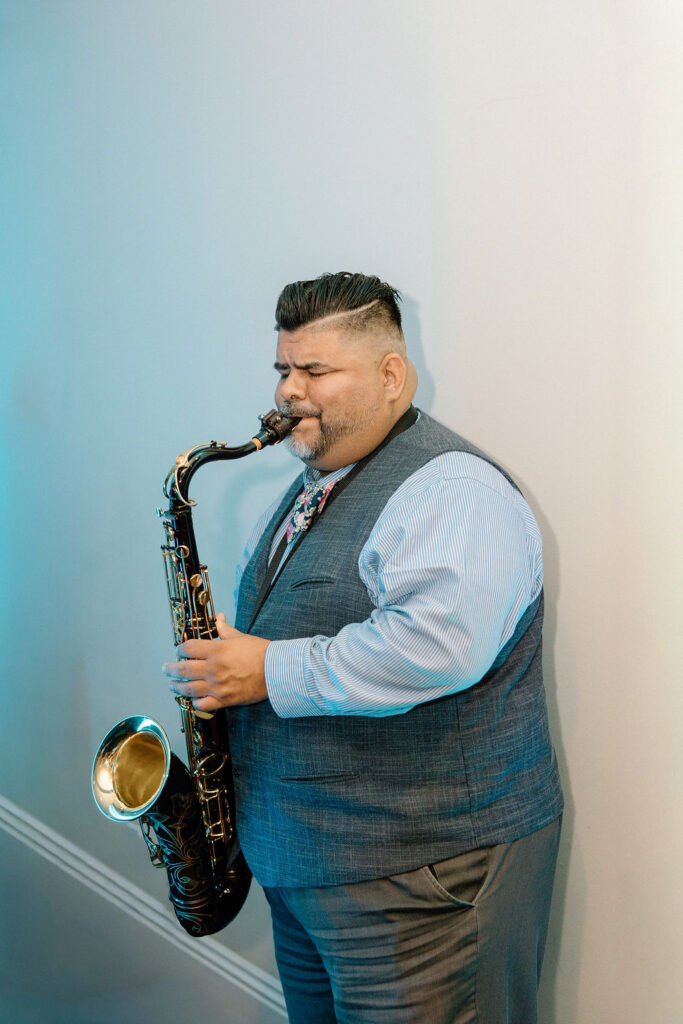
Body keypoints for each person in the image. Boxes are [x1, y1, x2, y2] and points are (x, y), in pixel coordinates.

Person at [163, 272, 564, 1024]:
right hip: (311, 871)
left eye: (314, 371)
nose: (288, 391)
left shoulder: (453, 491)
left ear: (390, 375)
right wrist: (219, 668)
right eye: (284, 369)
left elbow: (435, 646)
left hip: (423, 883)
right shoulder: (318, 481)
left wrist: (264, 670)